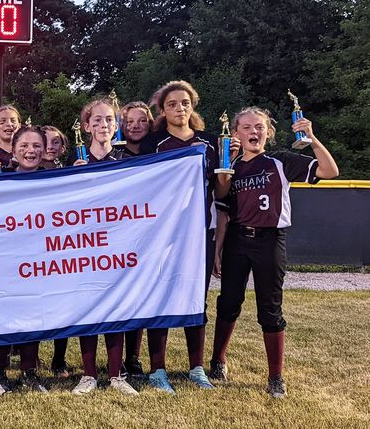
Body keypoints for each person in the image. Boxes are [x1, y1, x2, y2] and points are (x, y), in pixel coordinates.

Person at [210, 107, 338, 398]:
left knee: (270, 309)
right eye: (246, 127)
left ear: (269, 131)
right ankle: (218, 360)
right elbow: (223, 209)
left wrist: (312, 138)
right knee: (228, 302)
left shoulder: (281, 161)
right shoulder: (231, 167)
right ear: (235, 134)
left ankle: (275, 376)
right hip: (238, 241)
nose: (253, 132)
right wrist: (218, 249)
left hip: (270, 240)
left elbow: (330, 171)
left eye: (259, 127)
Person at [138, 80, 218, 393]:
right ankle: (158, 370)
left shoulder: (211, 143)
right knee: (161, 297)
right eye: (172, 104)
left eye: (185, 102)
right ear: (163, 109)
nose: (179, 108)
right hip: (163, 234)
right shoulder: (153, 143)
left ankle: (196, 367)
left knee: (196, 297)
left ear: (192, 105)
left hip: (199, 232)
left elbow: (219, 189)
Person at [66, 99, 137, 396]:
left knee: (116, 308)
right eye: (96, 120)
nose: (103, 125)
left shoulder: (126, 162)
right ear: (86, 126)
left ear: (116, 125)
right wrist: (71, 177)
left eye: (109, 120)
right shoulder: (75, 161)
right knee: (89, 309)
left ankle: (117, 374)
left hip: (116, 245)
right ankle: (89, 374)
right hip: (83, 246)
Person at [0, 126, 49, 395]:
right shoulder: (0, 179)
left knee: (32, 314)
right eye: (23, 146)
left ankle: (29, 371)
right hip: (4, 258)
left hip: (39, 259)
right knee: (3, 312)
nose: (30, 151)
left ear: (45, 150)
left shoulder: (57, 179)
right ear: (12, 151)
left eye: (36, 145)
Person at [118, 101, 154, 375]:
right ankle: (114, 357)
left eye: (141, 120)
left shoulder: (159, 152)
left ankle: (133, 357)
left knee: (139, 296)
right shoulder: (114, 155)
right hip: (115, 235)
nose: (135, 126)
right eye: (130, 121)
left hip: (147, 233)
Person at [38, 125, 73, 378]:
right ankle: (32, 357)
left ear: (63, 147)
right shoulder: (28, 172)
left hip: (62, 246)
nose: (51, 146)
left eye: (56, 142)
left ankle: (59, 359)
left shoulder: (71, 172)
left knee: (65, 304)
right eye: (46, 141)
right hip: (34, 245)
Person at [0, 105, 21, 169]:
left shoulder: (27, 152)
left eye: (13, 121)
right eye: (2, 122)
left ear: (19, 126)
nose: (9, 124)